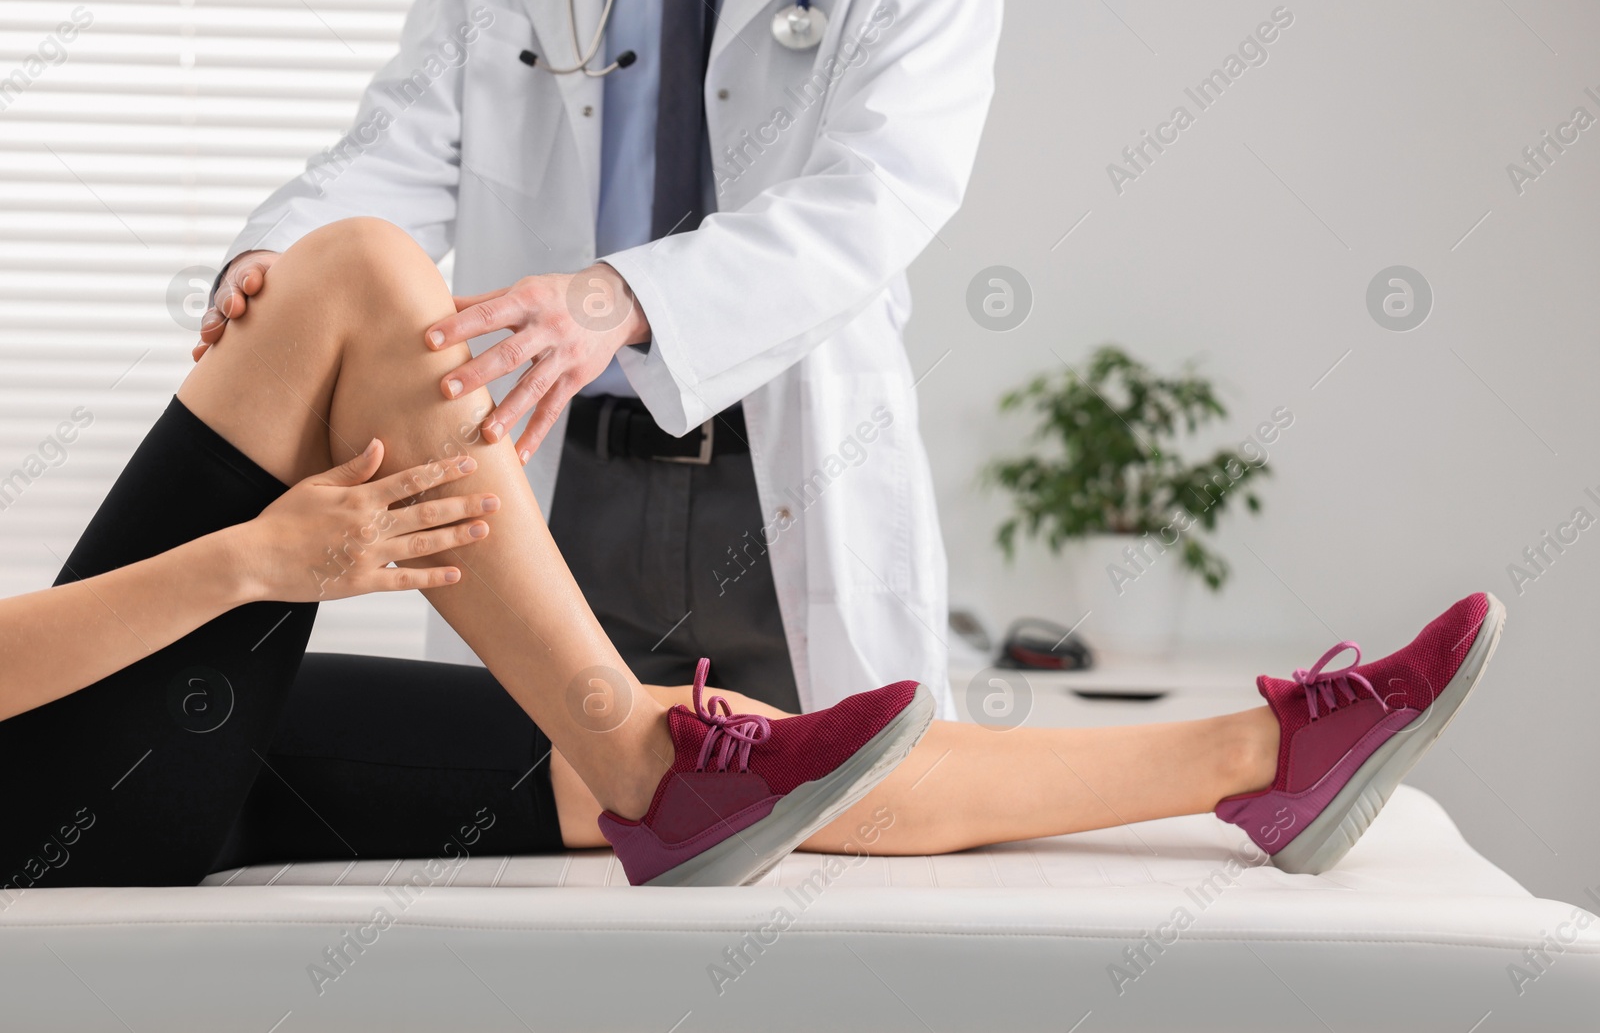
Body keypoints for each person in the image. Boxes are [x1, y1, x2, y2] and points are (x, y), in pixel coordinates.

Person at [1, 220, 1503, 890]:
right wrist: (256, 562)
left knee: (730, 755)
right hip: (31, 810)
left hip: (90, 772)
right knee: (356, 271)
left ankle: (1265, 754)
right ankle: (660, 776)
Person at [193, 0, 1008, 719]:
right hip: (558, 486)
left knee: (841, 828)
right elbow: (404, 139)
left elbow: (885, 185)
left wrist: (628, 297)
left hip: (788, 481)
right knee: (523, 823)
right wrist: (287, 257)